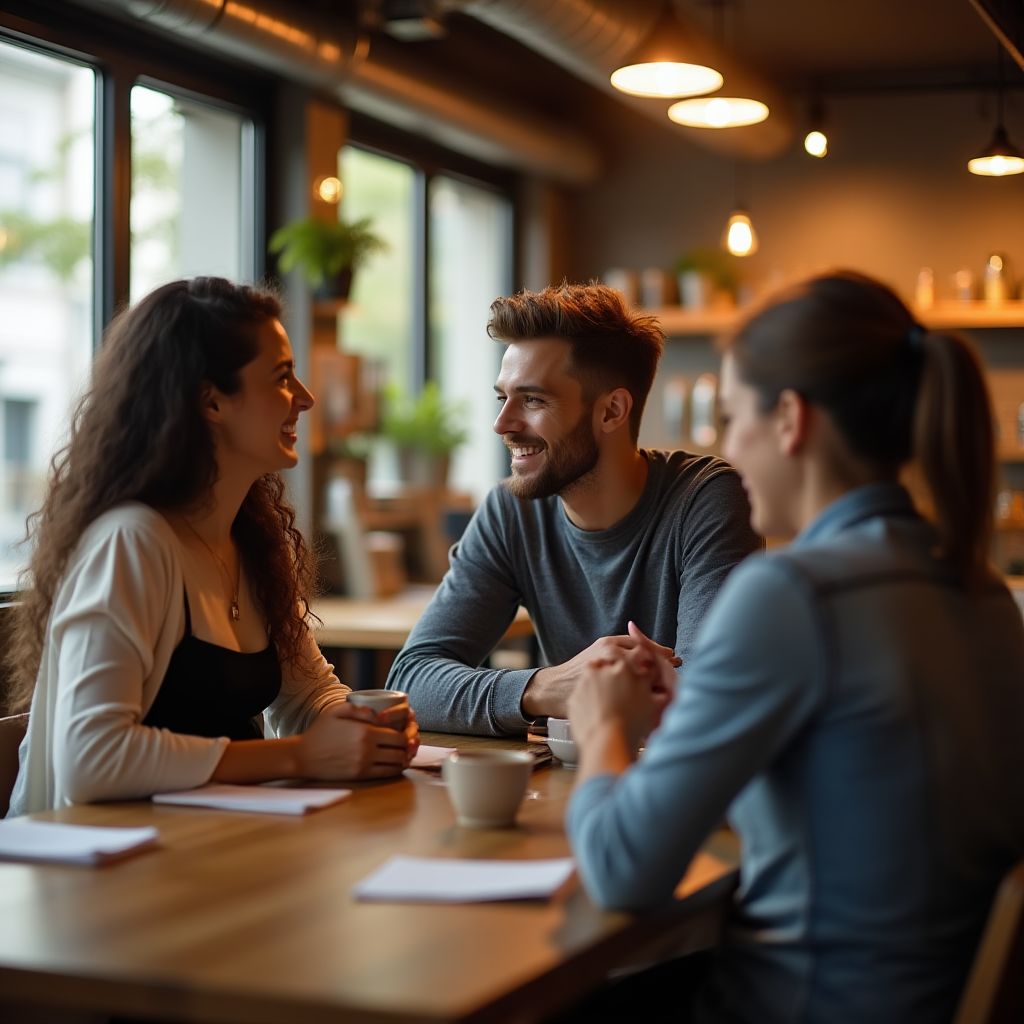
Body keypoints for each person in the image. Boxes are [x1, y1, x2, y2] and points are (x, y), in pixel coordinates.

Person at [564, 270, 1024, 1023]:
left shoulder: (792, 594)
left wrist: (602, 727)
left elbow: (621, 870)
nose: (723, 444)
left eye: (730, 416)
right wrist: (703, 703)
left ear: (790, 420)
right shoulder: (982, 593)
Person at [7, 277, 418, 817]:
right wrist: (299, 758)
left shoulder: (251, 540)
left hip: (207, 851)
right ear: (211, 401)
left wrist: (365, 726)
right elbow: (91, 758)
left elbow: (306, 698)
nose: (306, 398)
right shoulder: (132, 541)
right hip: (95, 878)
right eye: (281, 377)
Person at [386, 282, 760, 736]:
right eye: (503, 397)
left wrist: (585, 691)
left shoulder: (707, 498)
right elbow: (411, 680)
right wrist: (544, 687)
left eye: (534, 400)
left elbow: (707, 698)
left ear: (611, 411)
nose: (502, 423)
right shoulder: (511, 512)